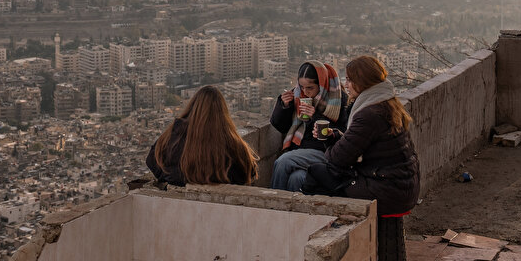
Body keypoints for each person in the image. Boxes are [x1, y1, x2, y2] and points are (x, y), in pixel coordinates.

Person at [301, 55, 420, 215]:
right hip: (400, 185)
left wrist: (330, 145)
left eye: (350, 80)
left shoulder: (369, 114)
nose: (346, 85)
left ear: (363, 82)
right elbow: (358, 143)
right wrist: (334, 137)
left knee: (315, 173)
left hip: (385, 189)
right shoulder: (387, 103)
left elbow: (338, 159)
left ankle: (327, 226)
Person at [146, 85, 258, 186]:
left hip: (178, 203)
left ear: (192, 107)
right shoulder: (233, 145)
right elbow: (248, 172)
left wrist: (172, 177)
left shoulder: (174, 136)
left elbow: (152, 160)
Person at [269, 60, 350, 191]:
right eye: (301, 87)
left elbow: (344, 134)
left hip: (324, 152)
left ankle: (273, 203)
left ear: (322, 85)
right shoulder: (297, 95)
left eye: (310, 88)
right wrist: (284, 106)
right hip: (301, 152)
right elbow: (281, 126)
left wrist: (315, 117)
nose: (305, 92)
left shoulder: (338, 100)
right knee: (297, 178)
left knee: (283, 161)